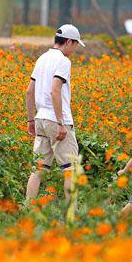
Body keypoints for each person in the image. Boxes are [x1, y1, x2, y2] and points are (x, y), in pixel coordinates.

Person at [25, 24, 85, 201]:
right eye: (75, 45)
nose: (75, 50)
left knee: (38, 169)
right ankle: (70, 214)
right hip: (58, 121)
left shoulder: (42, 58)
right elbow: (55, 90)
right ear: (68, 42)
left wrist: (30, 121)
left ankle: (28, 209)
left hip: (41, 119)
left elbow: (29, 91)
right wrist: (60, 122)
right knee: (70, 168)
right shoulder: (63, 61)